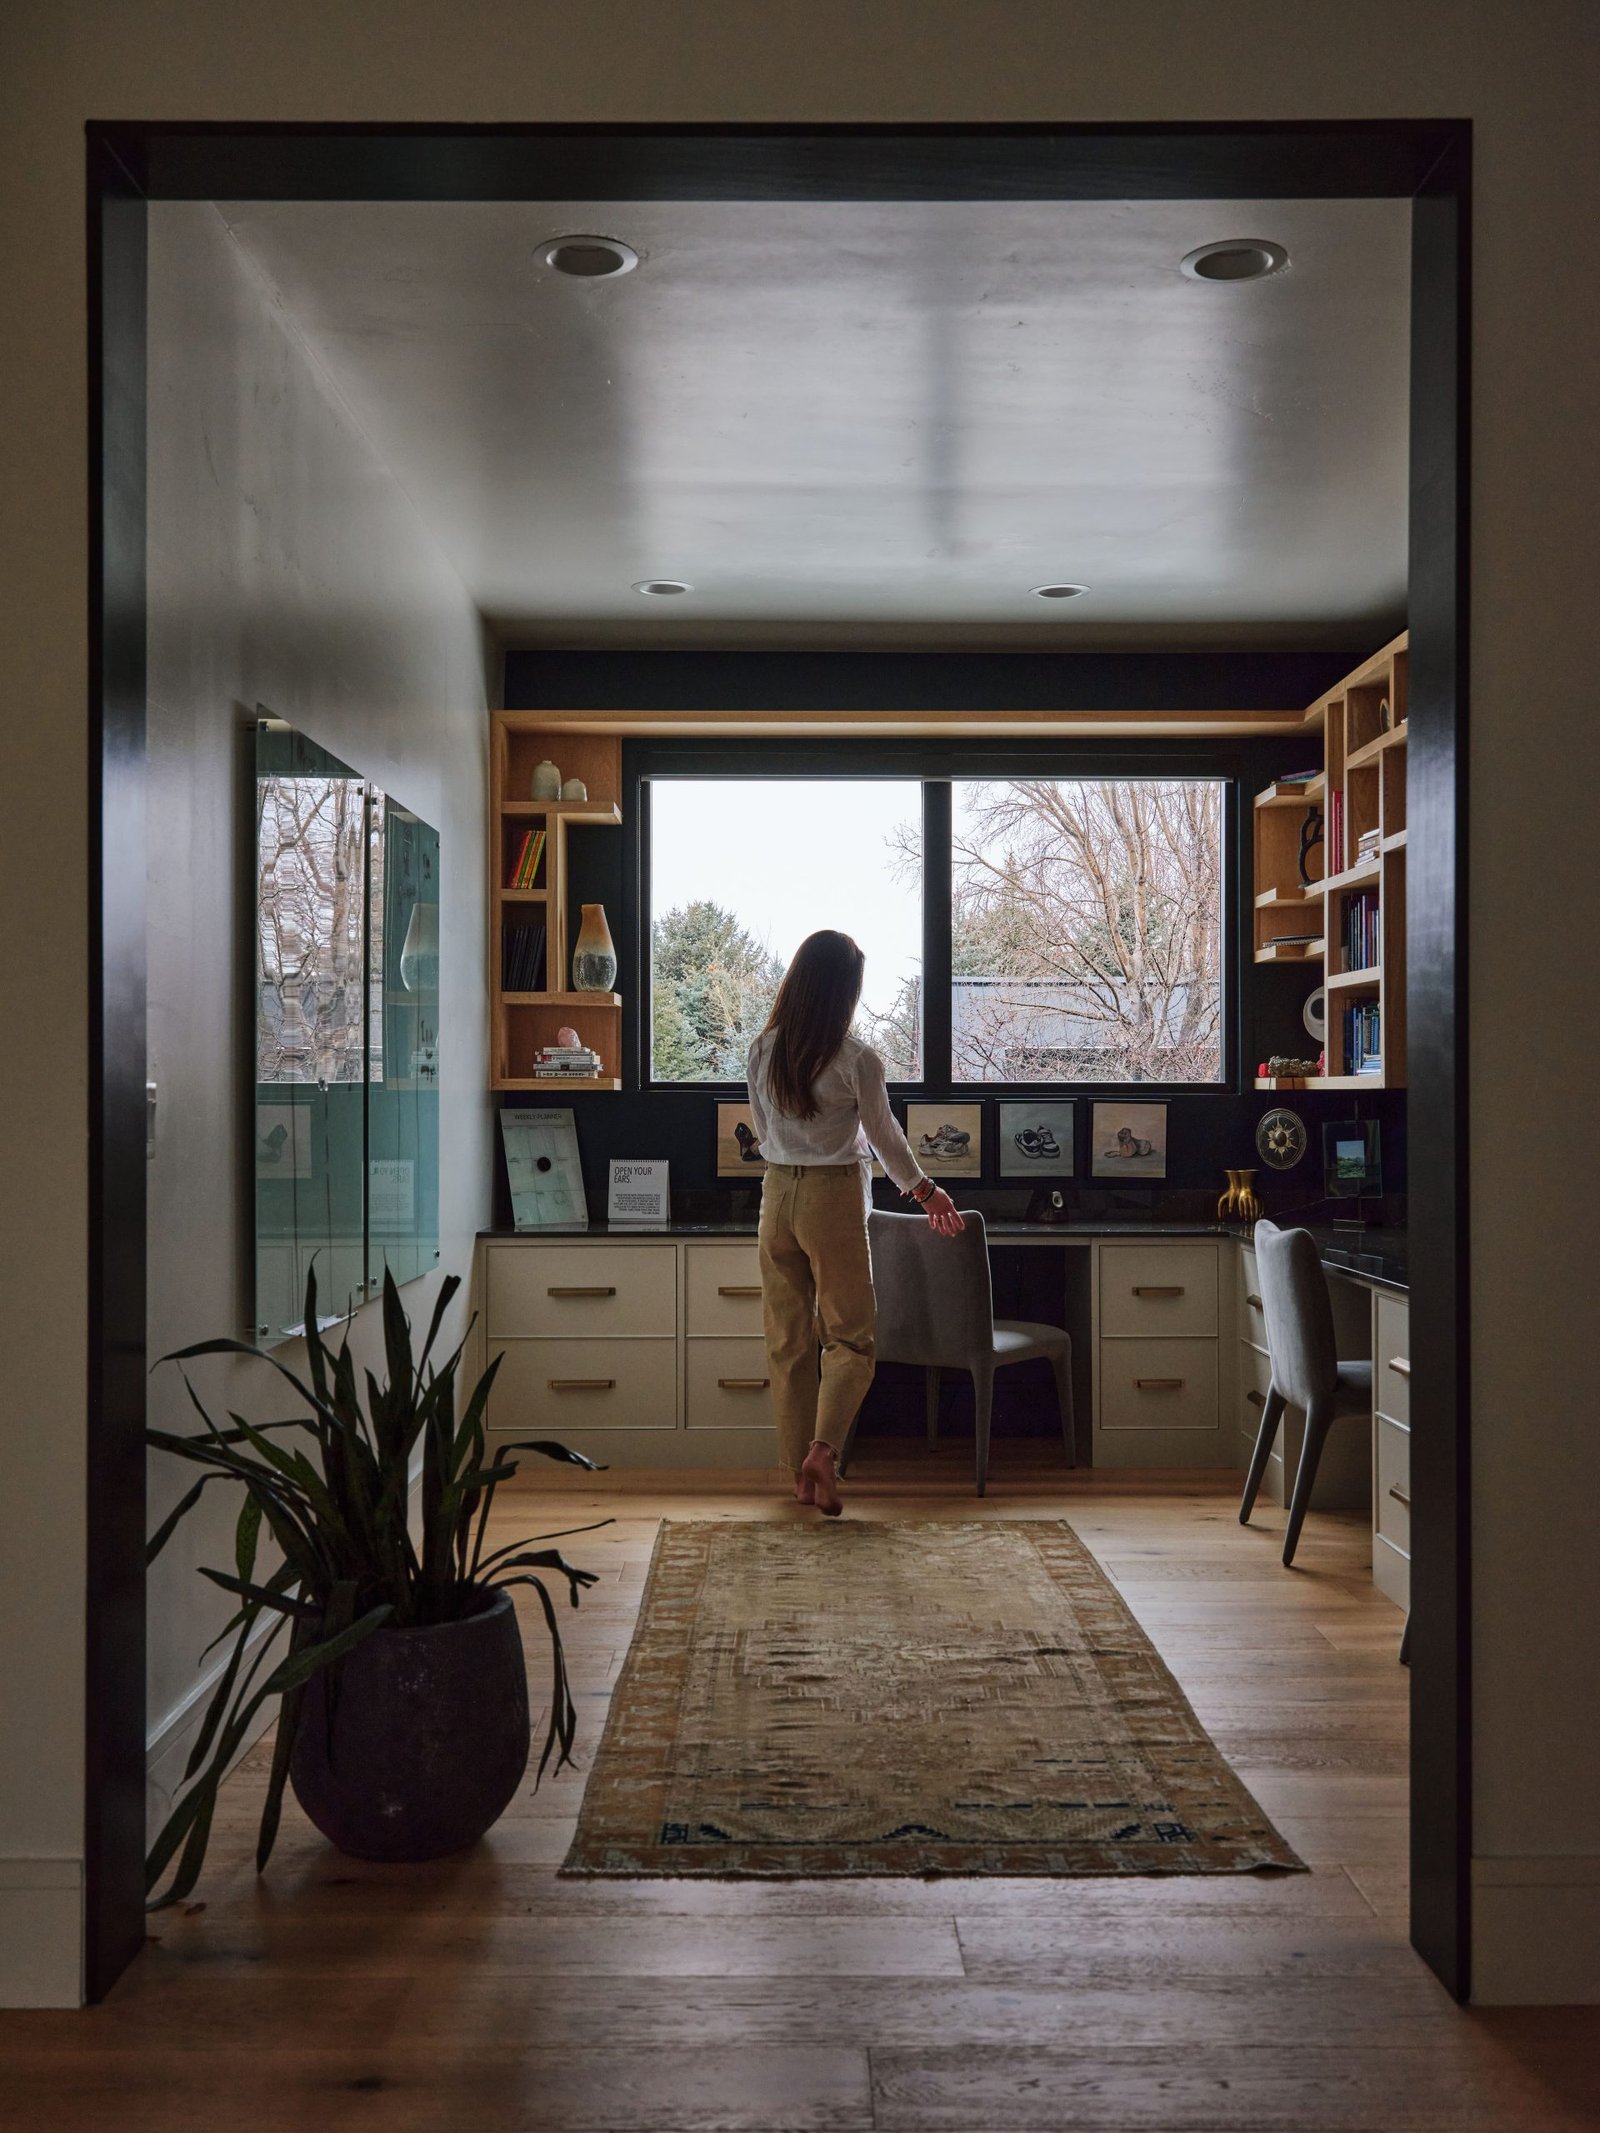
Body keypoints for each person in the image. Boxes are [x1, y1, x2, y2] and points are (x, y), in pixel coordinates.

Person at [747, 930, 965, 1517]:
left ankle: (798, 1476)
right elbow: (884, 1135)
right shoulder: (855, 1059)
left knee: (788, 1341)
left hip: (775, 1197)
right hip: (831, 1198)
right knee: (849, 1338)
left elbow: (763, 1130)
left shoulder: (763, 1048)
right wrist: (926, 1192)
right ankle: (822, 1453)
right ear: (843, 991)